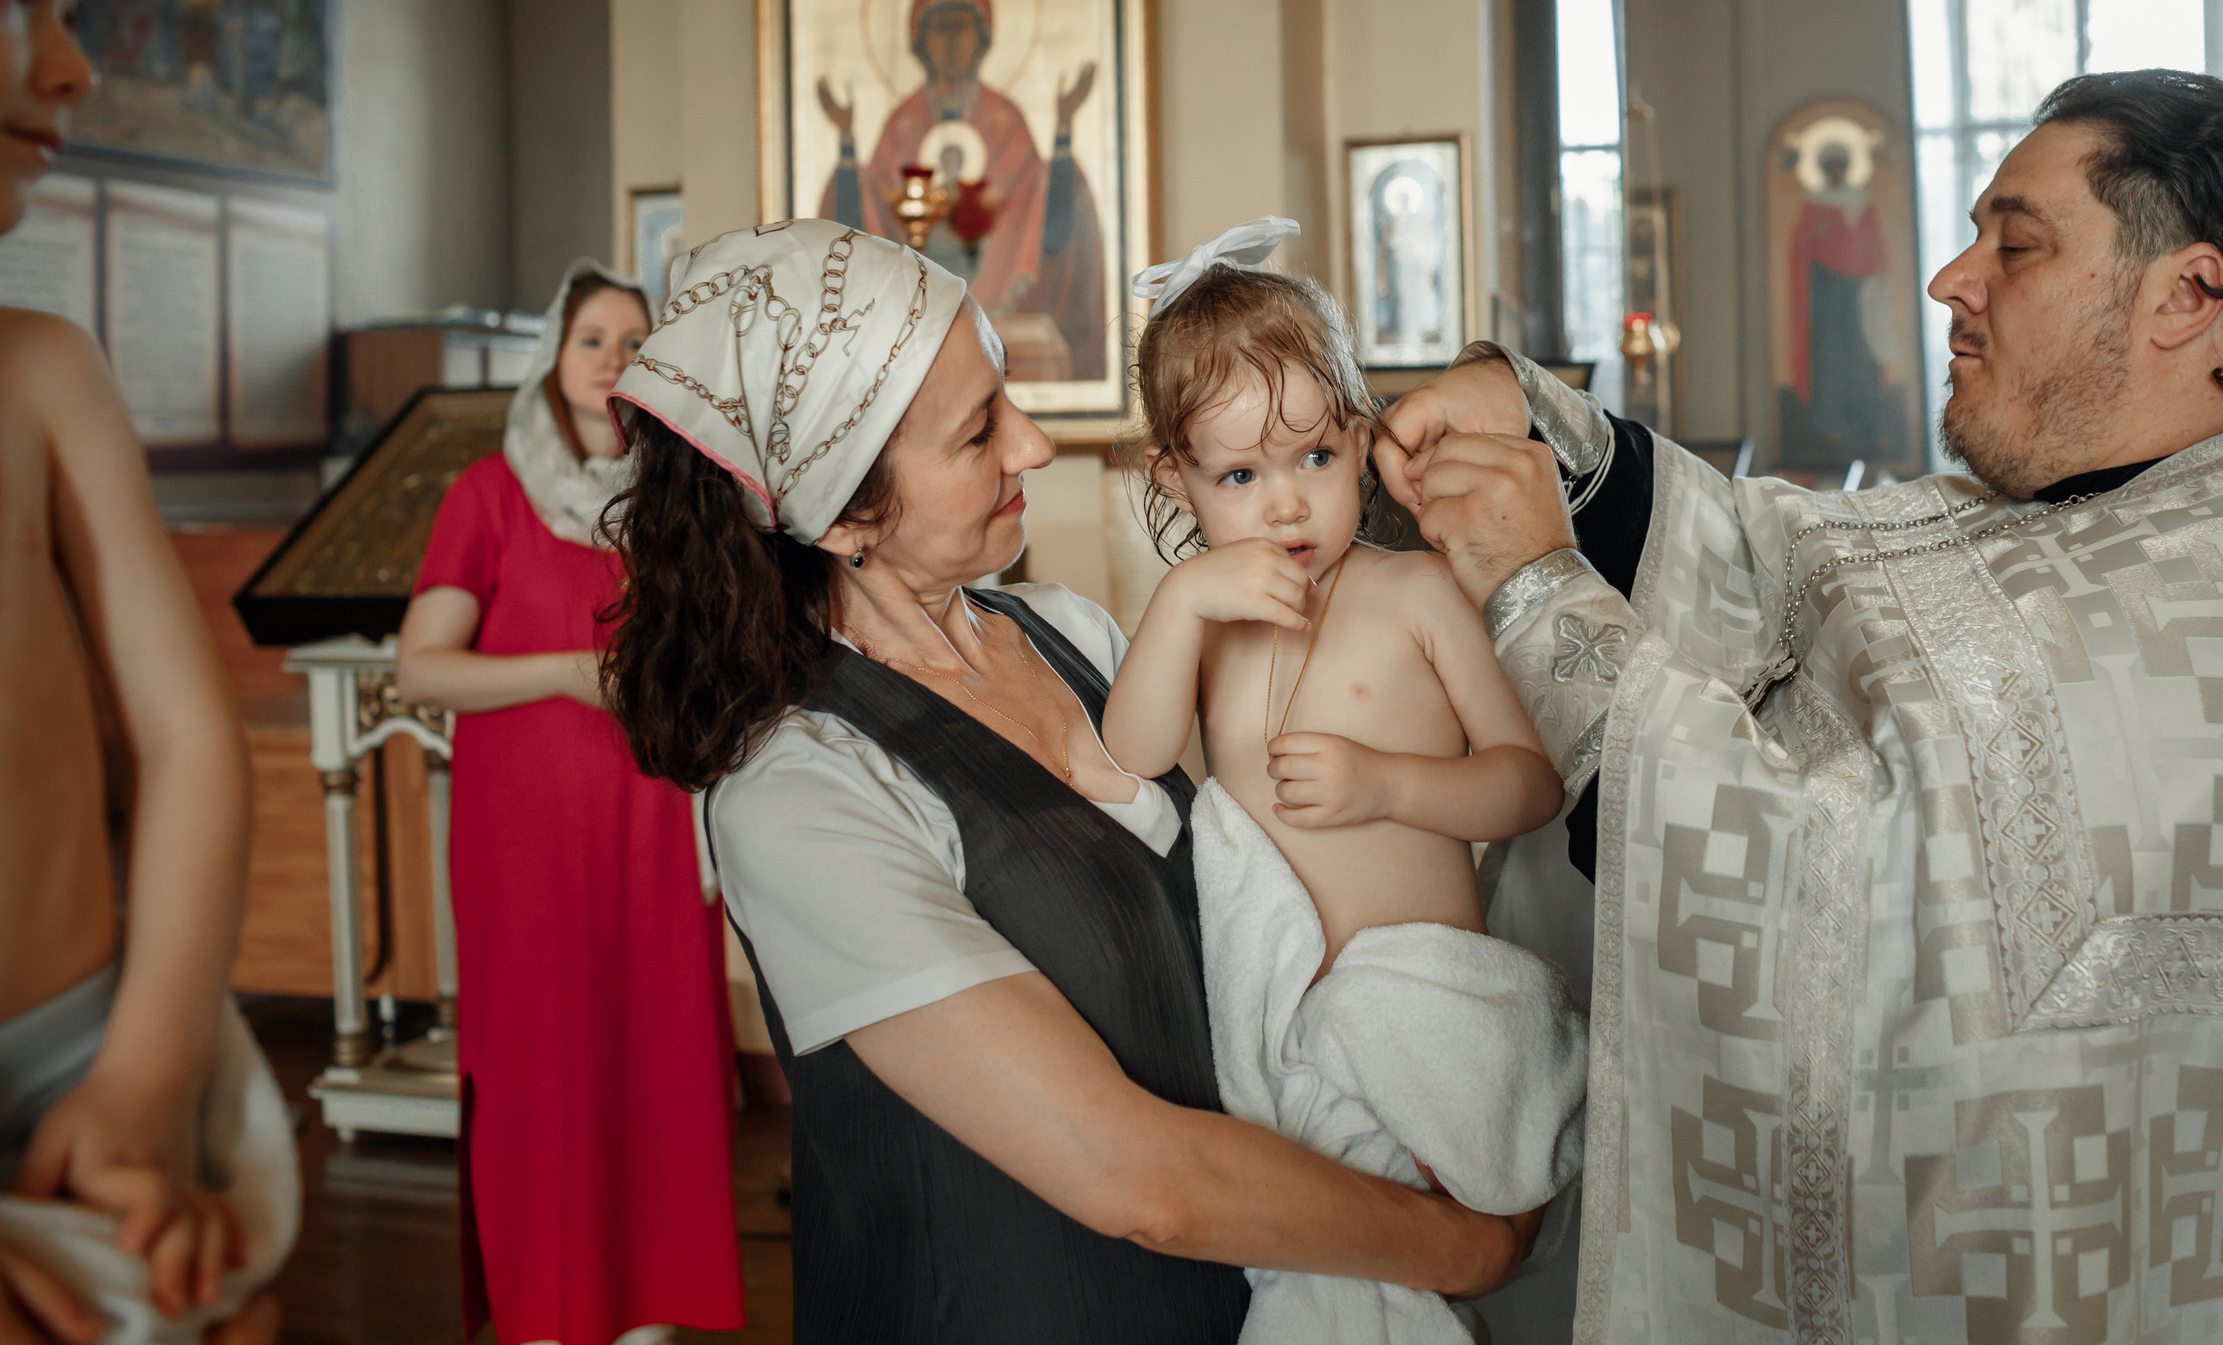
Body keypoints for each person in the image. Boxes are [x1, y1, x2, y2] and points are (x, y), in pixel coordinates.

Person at [1381, 69, 2223, 1343]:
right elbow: (1773, 560)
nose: (1947, 279)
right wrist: (1544, 424)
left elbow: (1839, 914)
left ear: (2184, 297)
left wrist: (1537, 586)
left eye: (2015, 245)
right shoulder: (2081, 516)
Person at [602, 219, 1539, 1345]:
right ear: (848, 513)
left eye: (1010, 396)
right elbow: (1135, 1180)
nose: (1034, 445)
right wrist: (1473, 1244)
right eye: (977, 431)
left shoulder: (1070, 635)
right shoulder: (800, 790)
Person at [1098, 220, 1582, 1343]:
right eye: (1237, 474)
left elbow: (1526, 785)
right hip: (1285, 1046)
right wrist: (1176, 608)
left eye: (1314, 458)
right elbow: (1131, 760)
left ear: (1362, 442)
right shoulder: (1202, 623)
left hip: (1421, 1022)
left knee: (1414, 1271)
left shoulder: (1413, 595)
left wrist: (1388, 787)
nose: (1283, 505)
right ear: (1172, 478)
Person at [0, 0, 291, 1345]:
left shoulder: (40, 380)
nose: (70, 64)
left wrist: (149, 1069)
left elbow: (190, 742)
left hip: (89, 1048)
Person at [396, 261, 743, 1345]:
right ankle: (547, 1315)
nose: (613, 360)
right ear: (553, 359)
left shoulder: (678, 506)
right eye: (591, 338)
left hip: (652, 830)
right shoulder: (487, 495)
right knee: (540, 1074)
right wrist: (560, 674)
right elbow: (423, 671)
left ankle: (649, 1315)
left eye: (635, 341)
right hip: (526, 847)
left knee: (656, 1066)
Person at [813, 0, 1111, 380]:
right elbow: (868, 218)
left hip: (1000, 301)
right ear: (919, 38)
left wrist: (1064, 129)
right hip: (918, 310)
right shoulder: (903, 124)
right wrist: (846, 142)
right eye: (939, 27)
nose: (951, 42)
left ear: (982, 36)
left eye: (961, 25)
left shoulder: (1004, 120)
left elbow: (1042, 213)